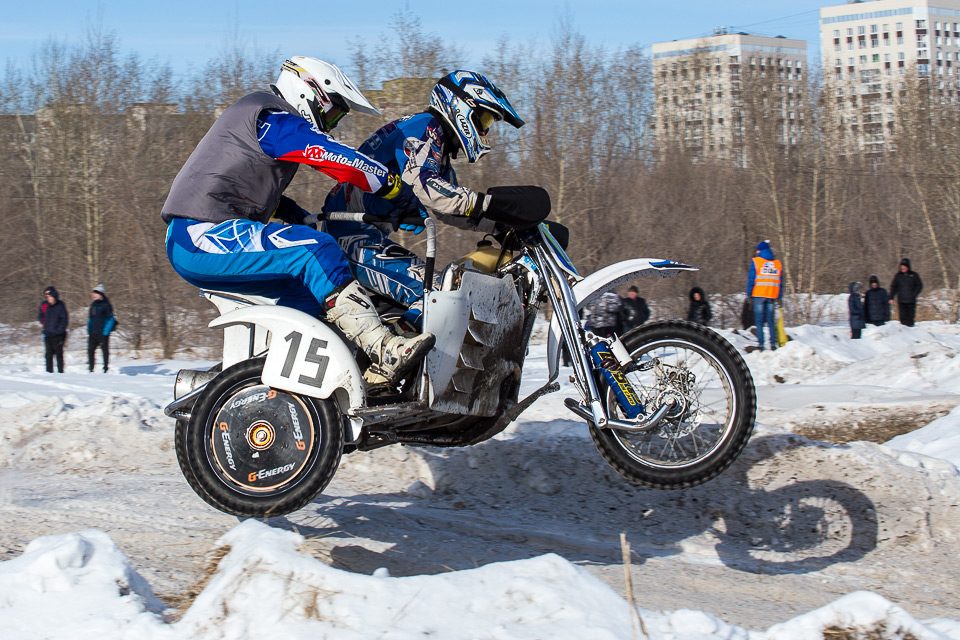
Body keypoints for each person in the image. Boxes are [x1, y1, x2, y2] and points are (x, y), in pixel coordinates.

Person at [161, 57, 434, 386]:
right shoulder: (273, 117)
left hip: (202, 233)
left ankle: (270, 377)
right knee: (316, 250)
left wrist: (295, 214)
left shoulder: (256, 118)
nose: (331, 124)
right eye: (333, 113)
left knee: (311, 285)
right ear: (311, 92)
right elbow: (332, 155)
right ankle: (384, 349)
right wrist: (393, 188)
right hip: (200, 234)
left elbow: (239, 185)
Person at [322, 70, 527, 327]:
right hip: (349, 238)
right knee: (439, 295)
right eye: (484, 120)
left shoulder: (436, 143)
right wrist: (490, 204)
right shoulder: (425, 128)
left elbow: (449, 208)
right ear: (461, 106)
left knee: (446, 290)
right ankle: (400, 350)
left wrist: (499, 227)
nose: (484, 131)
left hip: (361, 234)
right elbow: (426, 187)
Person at [746, 240, 783, 351]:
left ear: (760, 250)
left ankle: (761, 345)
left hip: (759, 294)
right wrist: (779, 296)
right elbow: (780, 282)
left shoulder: (756, 262)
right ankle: (773, 344)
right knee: (771, 321)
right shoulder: (777, 264)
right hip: (771, 295)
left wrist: (749, 293)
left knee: (759, 321)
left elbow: (751, 279)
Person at [87, 284, 115, 373]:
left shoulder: (106, 304)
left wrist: (106, 332)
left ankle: (105, 369)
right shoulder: (93, 304)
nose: (93, 295)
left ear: (101, 294)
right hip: (93, 333)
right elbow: (90, 318)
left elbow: (111, 319)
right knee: (90, 351)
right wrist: (89, 329)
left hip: (102, 333)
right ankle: (91, 369)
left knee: (104, 351)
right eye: (93, 293)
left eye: (96, 293)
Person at [41, 286, 68, 373]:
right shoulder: (48, 307)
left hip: (58, 335)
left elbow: (64, 320)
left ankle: (60, 373)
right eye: (47, 297)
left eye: (49, 297)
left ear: (54, 296)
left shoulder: (60, 306)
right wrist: (45, 330)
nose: (48, 299)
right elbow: (44, 319)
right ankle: (49, 373)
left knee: (59, 355)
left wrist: (59, 331)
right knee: (48, 355)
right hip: (48, 335)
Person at [889, 258, 923, 328]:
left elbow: (919, 285)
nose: (903, 268)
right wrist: (891, 297)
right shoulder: (898, 276)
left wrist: (914, 294)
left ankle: (911, 331)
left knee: (910, 319)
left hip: (911, 301)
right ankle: (904, 333)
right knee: (903, 319)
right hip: (901, 301)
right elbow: (893, 287)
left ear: (908, 267)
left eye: (904, 266)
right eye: (902, 266)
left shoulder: (914, 275)